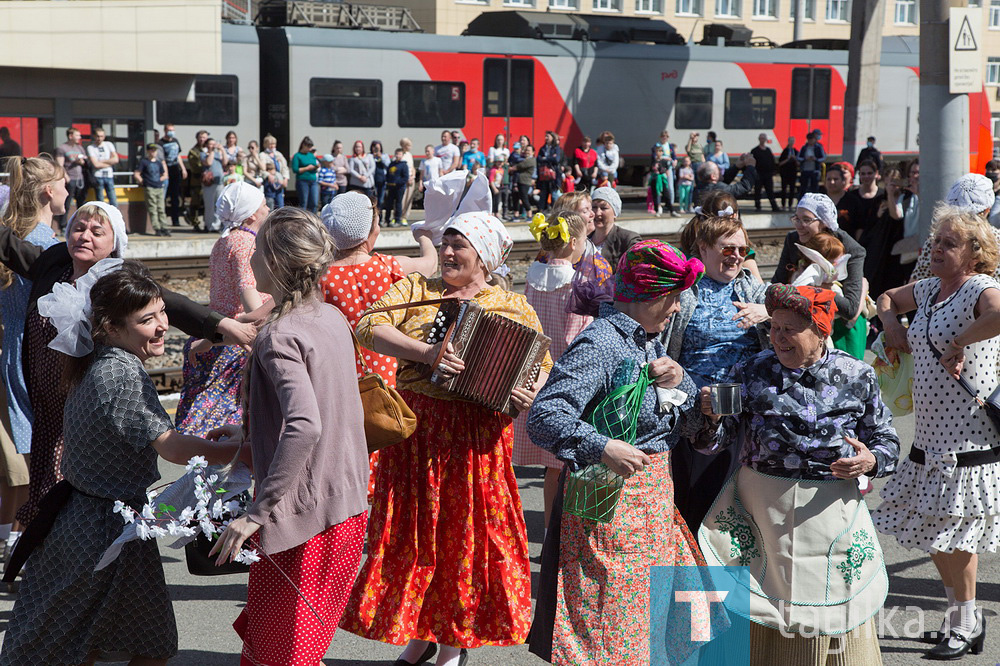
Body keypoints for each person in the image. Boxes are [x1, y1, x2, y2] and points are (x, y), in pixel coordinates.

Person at [0, 261, 241, 666]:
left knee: (102, 638)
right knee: (94, 642)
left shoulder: (101, 359)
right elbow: (171, 448)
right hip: (101, 530)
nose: (163, 324)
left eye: (162, 311)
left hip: (101, 523)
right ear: (111, 327)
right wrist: (244, 451)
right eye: (148, 319)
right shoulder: (119, 372)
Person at [340, 212, 552, 666]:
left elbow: (541, 367)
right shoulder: (418, 290)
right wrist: (426, 353)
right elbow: (365, 326)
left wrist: (526, 392)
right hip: (419, 430)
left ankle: (452, 644)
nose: (450, 253)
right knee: (415, 536)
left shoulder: (512, 307)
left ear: (486, 257)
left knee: (464, 537)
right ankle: (420, 636)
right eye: (447, 243)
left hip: (476, 438)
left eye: (461, 246)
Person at [0, 200, 253, 528]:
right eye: (78, 228)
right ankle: (46, 555)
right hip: (47, 413)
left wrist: (221, 325)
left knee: (73, 501)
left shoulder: (116, 284)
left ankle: (68, 553)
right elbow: (8, 246)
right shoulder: (52, 262)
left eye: (96, 231)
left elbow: (169, 303)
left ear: (115, 242)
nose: (85, 236)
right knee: (46, 497)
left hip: (88, 419)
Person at [527, 240, 715, 666]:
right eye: (673, 298)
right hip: (606, 506)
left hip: (651, 508)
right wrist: (603, 446)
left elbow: (680, 426)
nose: (678, 309)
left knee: (650, 625)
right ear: (648, 295)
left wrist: (686, 388)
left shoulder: (649, 341)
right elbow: (545, 415)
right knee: (607, 628)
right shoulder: (601, 343)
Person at [695, 283, 899, 666]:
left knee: (831, 602)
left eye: (790, 328)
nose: (778, 337)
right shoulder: (752, 370)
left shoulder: (857, 375)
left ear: (820, 330)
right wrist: (710, 418)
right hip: (761, 514)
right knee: (761, 604)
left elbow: (886, 439)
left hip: (829, 515)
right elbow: (715, 442)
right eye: (774, 326)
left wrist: (870, 461)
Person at [204, 208, 370, 665]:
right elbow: (329, 405)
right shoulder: (331, 316)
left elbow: (305, 425)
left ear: (274, 263)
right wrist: (253, 428)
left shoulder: (278, 336)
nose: (251, 258)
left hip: (304, 519)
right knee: (292, 647)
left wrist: (256, 514)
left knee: (282, 652)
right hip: (346, 507)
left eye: (257, 250)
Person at [874, 207, 1000, 660]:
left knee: (957, 533)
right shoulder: (929, 289)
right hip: (929, 437)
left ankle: (966, 621)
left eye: (949, 242)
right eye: (935, 241)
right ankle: (960, 617)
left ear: (974, 252)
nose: (936, 249)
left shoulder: (980, 288)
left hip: (968, 436)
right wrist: (891, 325)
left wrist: (960, 342)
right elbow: (887, 297)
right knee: (934, 531)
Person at [318, 192, 436, 498]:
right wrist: (422, 234)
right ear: (371, 232)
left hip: (341, 378)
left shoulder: (322, 276)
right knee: (385, 437)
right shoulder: (387, 266)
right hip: (387, 379)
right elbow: (430, 264)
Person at [663, 213, 768, 534]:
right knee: (685, 505)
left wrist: (767, 313)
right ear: (704, 249)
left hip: (740, 413)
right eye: (727, 249)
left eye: (742, 250)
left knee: (731, 514)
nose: (736, 256)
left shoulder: (751, 289)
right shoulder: (684, 292)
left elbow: (807, 306)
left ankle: (727, 585)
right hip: (690, 412)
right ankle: (678, 583)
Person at [512, 211, 593, 530]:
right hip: (569, 380)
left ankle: (549, 529)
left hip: (537, 376)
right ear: (573, 242)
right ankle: (568, 533)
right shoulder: (578, 284)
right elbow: (577, 338)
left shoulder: (532, 279)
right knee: (570, 462)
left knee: (552, 467)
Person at [0, 156, 61, 558]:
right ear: (47, 192)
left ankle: (8, 539)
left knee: (11, 463)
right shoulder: (47, 246)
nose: (69, 190)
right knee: (37, 458)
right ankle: (26, 545)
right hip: (31, 357)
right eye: (63, 183)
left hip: (7, 353)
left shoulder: (8, 236)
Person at [175, 182, 269, 438]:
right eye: (264, 205)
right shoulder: (246, 244)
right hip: (231, 344)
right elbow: (248, 294)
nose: (268, 208)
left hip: (213, 331)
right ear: (251, 214)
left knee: (205, 418)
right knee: (228, 425)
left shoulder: (224, 240)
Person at [772, 193, 867, 358]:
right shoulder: (793, 240)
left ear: (824, 222)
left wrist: (817, 289)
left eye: (806, 220)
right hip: (804, 323)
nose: (799, 225)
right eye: (796, 218)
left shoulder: (851, 249)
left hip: (842, 330)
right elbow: (778, 282)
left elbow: (850, 309)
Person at [910, 174, 1000, 286]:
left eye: (950, 244)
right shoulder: (997, 239)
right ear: (987, 210)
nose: (939, 247)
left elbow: (915, 285)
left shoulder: (937, 237)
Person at [590, 187, 640, 272]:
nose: (597, 213)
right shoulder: (584, 239)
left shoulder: (628, 239)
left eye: (603, 208)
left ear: (615, 213)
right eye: (594, 207)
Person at [54, 128, 88, 231]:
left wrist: (80, 161)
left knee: (81, 204)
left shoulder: (80, 148)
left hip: (80, 179)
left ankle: (81, 224)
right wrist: (66, 177)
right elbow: (59, 164)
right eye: (77, 135)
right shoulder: (62, 148)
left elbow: (85, 162)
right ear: (70, 136)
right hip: (70, 179)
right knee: (67, 203)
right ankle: (63, 225)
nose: (79, 137)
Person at [840, 159, 882, 242]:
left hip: (877, 240)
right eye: (863, 174)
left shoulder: (882, 195)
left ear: (876, 174)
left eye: (869, 173)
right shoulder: (851, 196)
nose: (866, 176)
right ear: (859, 175)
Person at [133, 142, 170, 237]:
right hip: (149, 187)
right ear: (148, 151)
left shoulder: (158, 163)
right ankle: (157, 228)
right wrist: (143, 182)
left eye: (154, 150)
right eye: (151, 150)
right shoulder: (144, 162)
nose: (153, 152)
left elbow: (164, 175)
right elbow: (137, 173)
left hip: (159, 187)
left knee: (161, 208)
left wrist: (159, 181)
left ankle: (164, 227)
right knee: (153, 208)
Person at [692, 155, 757, 207]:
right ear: (713, 176)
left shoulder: (699, 189)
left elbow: (724, 181)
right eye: (718, 169)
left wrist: (736, 167)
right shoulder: (719, 190)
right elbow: (744, 187)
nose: (721, 171)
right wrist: (750, 166)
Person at [159, 124, 188, 227]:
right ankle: (162, 220)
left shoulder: (175, 141)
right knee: (164, 196)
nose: (171, 132)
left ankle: (175, 220)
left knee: (175, 196)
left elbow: (178, 156)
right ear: (165, 131)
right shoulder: (161, 143)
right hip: (166, 172)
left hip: (175, 170)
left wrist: (183, 168)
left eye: (173, 130)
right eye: (169, 130)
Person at [199, 137, 227, 233]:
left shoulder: (218, 154)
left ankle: (216, 226)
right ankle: (208, 225)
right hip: (209, 184)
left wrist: (222, 150)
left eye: (214, 144)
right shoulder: (203, 154)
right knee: (209, 206)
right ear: (206, 145)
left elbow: (225, 162)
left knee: (218, 206)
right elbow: (208, 162)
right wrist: (211, 151)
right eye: (210, 144)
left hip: (219, 183)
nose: (213, 145)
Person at [86, 127, 119, 207]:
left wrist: (101, 161)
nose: (99, 138)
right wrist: (109, 162)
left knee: (113, 200)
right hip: (98, 176)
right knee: (100, 200)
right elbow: (95, 164)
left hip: (109, 175)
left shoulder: (109, 144)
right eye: (97, 136)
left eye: (101, 136)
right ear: (94, 136)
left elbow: (116, 159)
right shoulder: (91, 147)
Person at [750, 133, 779, 212]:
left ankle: (774, 206)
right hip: (759, 174)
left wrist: (774, 170)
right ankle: (758, 206)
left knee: (770, 190)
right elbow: (752, 162)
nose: (762, 140)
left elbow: (772, 161)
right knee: (758, 190)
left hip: (768, 174)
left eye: (764, 138)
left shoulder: (768, 150)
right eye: (761, 138)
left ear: (766, 140)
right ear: (759, 139)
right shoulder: (755, 150)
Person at [187, 130, 210, 229]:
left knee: (207, 204)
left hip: (209, 182)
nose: (202, 139)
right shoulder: (193, 151)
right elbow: (195, 166)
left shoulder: (210, 149)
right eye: (200, 137)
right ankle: (195, 223)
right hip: (197, 181)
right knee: (195, 203)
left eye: (204, 137)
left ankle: (207, 224)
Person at [290, 136, 319, 213]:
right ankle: (302, 220)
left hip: (313, 180)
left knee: (314, 203)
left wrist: (316, 167)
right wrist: (307, 168)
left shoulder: (311, 155)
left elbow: (314, 164)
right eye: (308, 147)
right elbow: (295, 169)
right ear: (303, 145)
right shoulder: (297, 156)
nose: (310, 149)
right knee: (304, 203)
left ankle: (313, 220)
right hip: (302, 181)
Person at [537, 131, 564, 210]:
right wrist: (550, 158)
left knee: (554, 194)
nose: (546, 138)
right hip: (544, 175)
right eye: (545, 136)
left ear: (552, 138)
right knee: (543, 193)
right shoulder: (543, 148)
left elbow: (556, 159)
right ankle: (542, 210)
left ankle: (555, 210)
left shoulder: (556, 148)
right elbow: (538, 159)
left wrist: (545, 158)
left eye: (547, 136)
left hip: (554, 175)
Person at [383, 149, 410, 227]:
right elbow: (388, 174)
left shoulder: (404, 165)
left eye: (399, 154)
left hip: (399, 188)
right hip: (391, 187)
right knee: (389, 204)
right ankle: (387, 220)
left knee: (398, 204)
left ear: (402, 155)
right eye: (396, 154)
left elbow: (405, 178)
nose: (398, 156)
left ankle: (397, 220)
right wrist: (388, 182)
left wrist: (397, 183)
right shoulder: (391, 164)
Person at [797, 131, 826, 196]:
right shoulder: (804, 148)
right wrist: (805, 159)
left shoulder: (818, 147)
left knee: (814, 187)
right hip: (805, 170)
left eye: (812, 139)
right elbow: (798, 157)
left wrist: (816, 159)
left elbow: (823, 157)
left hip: (815, 170)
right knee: (803, 187)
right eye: (809, 140)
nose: (810, 141)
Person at [513, 144, 538, 219]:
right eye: (526, 150)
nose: (527, 152)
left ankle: (529, 214)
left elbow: (520, 166)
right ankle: (516, 215)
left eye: (529, 150)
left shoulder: (531, 160)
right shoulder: (523, 158)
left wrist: (512, 168)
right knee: (516, 197)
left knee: (524, 197)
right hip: (519, 180)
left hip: (525, 181)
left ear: (533, 152)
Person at [650, 145, 675, 217]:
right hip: (655, 179)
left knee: (666, 194)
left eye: (660, 151)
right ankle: (657, 209)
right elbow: (651, 169)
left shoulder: (664, 161)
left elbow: (666, 169)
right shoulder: (653, 160)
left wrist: (664, 175)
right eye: (657, 151)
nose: (658, 153)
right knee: (656, 195)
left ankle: (671, 210)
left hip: (662, 179)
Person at [777, 137, 799, 210]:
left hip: (793, 173)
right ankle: (783, 205)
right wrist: (788, 159)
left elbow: (799, 163)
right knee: (784, 189)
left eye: (793, 141)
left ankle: (790, 205)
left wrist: (794, 158)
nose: (791, 142)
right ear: (788, 141)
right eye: (790, 141)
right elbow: (780, 163)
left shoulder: (795, 151)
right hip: (785, 173)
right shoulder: (785, 151)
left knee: (792, 189)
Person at [399, 137, 417, 224]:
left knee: (409, 199)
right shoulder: (401, 155)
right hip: (404, 180)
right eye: (409, 145)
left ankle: (405, 216)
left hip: (411, 179)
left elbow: (413, 167)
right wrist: (406, 179)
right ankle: (399, 215)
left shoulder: (409, 155)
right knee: (402, 199)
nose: (410, 147)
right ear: (404, 146)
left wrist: (413, 176)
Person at [371, 140, 390, 207]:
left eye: (378, 148)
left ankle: (379, 214)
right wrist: (373, 156)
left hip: (382, 180)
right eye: (375, 148)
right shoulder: (369, 156)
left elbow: (388, 165)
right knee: (373, 198)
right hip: (373, 180)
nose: (376, 149)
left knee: (381, 199)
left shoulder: (385, 156)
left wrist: (380, 157)